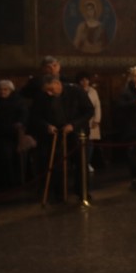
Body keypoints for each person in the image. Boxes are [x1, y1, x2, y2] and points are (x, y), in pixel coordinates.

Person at [27, 74, 94, 203]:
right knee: (57, 164)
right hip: (55, 134)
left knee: (80, 163)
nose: (49, 93)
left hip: (76, 133)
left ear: (58, 84)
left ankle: (82, 192)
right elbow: (35, 116)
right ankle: (59, 193)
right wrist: (46, 125)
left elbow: (89, 110)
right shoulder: (43, 95)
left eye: (51, 90)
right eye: (47, 91)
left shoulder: (75, 91)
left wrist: (73, 125)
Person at [0, 79, 26, 188]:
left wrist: (20, 122)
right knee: (2, 159)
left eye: (5, 89)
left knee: (13, 158)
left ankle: (16, 182)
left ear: (11, 90)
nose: (2, 92)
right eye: (0, 90)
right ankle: (5, 183)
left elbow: (24, 114)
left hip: (14, 134)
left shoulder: (18, 100)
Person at [115, 65, 136, 190]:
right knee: (133, 153)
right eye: (135, 76)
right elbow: (120, 105)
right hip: (132, 126)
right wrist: (134, 103)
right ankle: (134, 178)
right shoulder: (126, 91)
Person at [75, 72, 102, 172]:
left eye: (86, 80)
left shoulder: (93, 91)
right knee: (80, 142)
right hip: (80, 120)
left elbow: (97, 105)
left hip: (92, 120)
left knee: (90, 143)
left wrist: (97, 119)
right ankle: (81, 163)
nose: (85, 82)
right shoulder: (76, 90)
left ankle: (87, 162)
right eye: (82, 80)